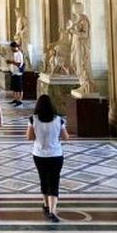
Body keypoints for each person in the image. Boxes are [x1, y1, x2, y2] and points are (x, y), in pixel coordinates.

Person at [26, 94, 69, 222]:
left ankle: (45, 204)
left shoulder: (33, 119)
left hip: (39, 154)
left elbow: (29, 137)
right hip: (56, 154)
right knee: (54, 182)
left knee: (43, 179)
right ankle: (52, 210)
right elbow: (66, 137)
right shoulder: (59, 120)